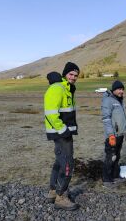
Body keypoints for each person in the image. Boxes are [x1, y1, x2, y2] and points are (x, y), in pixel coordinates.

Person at [44, 62, 80, 210]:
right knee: (67, 164)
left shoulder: (67, 89)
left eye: (76, 75)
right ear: (65, 74)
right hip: (61, 133)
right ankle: (61, 196)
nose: (73, 77)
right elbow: (51, 113)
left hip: (63, 132)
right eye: (71, 74)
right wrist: (63, 129)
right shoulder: (58, 88)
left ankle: (53, 191)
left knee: (60, 162)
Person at [101, 80, 126, 188]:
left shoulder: (120, 101)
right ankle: (106, 180)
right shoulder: (108, 101)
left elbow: (124, 118)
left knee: (117, 156)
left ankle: (115, 175)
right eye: (119, 89)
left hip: (120, 134)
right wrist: (110, 135)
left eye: (122, 89)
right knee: (111, 157)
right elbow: (106, 119)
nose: (121, 91)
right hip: (113, 136)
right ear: (113, 90)